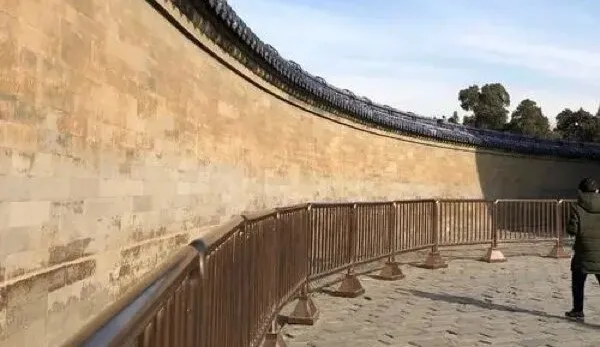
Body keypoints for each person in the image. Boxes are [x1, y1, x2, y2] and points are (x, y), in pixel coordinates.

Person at [565, 177, 600, 322]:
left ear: (580, 191)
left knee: (578, 282)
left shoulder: (577, 207)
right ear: (597, 190)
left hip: (583, 251)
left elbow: (572, 230)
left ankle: (578, 310)